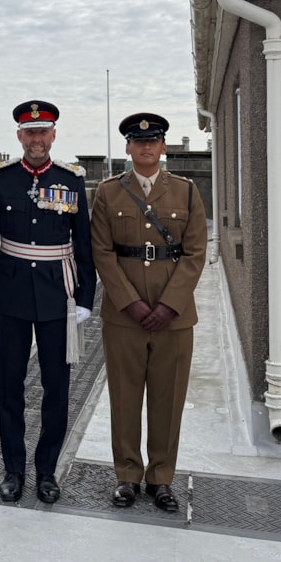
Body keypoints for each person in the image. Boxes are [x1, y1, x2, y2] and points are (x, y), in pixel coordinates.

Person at [0, 100, 95, 504]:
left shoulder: (71, 179)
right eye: (29, 133)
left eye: (43, 131)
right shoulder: (2, 178)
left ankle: (46, 470)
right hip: (10, 293)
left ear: (54, 135)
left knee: (56, 387)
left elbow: (83, 242)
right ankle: (13, 469)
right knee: (9, 386)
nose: (37, 139)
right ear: (19, 137)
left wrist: (85, 297)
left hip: (54, 295)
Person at [89, 112, 207, 512]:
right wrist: (132, 303)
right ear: (128, 147)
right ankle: (127, 475)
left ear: (163, 146)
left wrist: (169, 304)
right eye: (138, 141)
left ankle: (161, 478)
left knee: (167, 398)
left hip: (174, 317)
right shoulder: (108, 193)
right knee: (124, 397)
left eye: (153, 140)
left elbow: (195, 253)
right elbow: (102, 253)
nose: (145, 146)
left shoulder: (187, 192)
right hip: (125, 316)